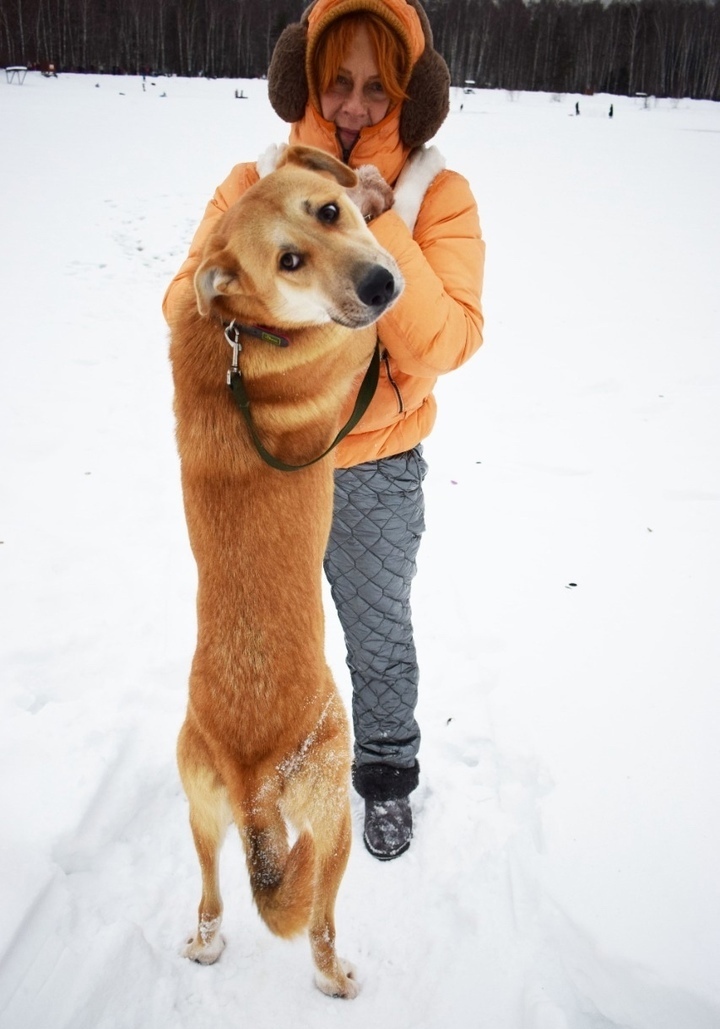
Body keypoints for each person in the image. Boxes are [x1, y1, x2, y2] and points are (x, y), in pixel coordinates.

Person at [163, 0, 485, 861]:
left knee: (377, 632)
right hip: (270, 464)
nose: (351, 106)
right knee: (266, 634)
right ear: (301, 80)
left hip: (376, 464)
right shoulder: (256, 183)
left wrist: (372, 220)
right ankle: (267, 768)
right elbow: (183, 302)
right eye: (335, 82)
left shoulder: (437, 196)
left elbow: (449, 339)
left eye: (377, 89)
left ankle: (384, 777)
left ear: (411, 95)